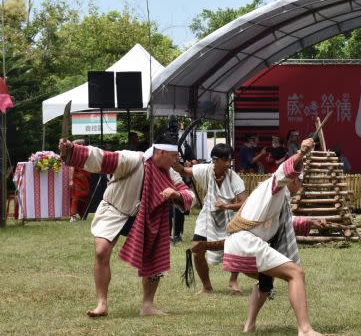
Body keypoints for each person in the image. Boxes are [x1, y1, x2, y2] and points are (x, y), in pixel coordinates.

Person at [59, 134, 193, 317]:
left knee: (153, 257)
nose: (175, 160)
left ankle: (147, 305)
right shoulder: (132, 159)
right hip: (115, 208)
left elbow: (188, 195)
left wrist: (176, 195)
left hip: (146, 217)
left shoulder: (171, 173)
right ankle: (102, 304)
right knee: (101, 251)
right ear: (161, 152)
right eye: (173, 156)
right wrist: (73, 151)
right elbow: (103, 157)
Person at [223, 138, 325, 335]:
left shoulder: (276, 196)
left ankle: (249, 326)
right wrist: (302, 153)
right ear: (294, 178)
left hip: (240, 245)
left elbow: (283, 223)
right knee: (296, 273)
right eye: (300, 180)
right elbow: (282, 173)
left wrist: (310, 221)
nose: (300, 186)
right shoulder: (275, 186)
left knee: (265, 283)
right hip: (247, 244)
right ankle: (304, 329)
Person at [174, 143, 247, 293]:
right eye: (225, 160)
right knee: (197, 250)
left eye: (230, 160)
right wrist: (171, 159)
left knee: (238, 248)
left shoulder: (234, 177)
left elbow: (244, 202)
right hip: (207, 215)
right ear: (215, 159)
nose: (228, 164)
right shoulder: (205, 170)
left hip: (229, 217)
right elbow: (182, 170)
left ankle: (233, 280)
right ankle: (207, 286)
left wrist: (226, 206)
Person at [69, 140, 91, 222]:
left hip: (86, 179)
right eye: (80, 144)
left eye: (82, 144)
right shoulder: (74, 155)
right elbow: (72, 167)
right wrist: (71, 179)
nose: (82, 146)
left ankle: (83, 215)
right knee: (76, 196)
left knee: (85, 196)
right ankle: (73, 216)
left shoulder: (87, 154)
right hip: (77, 178)